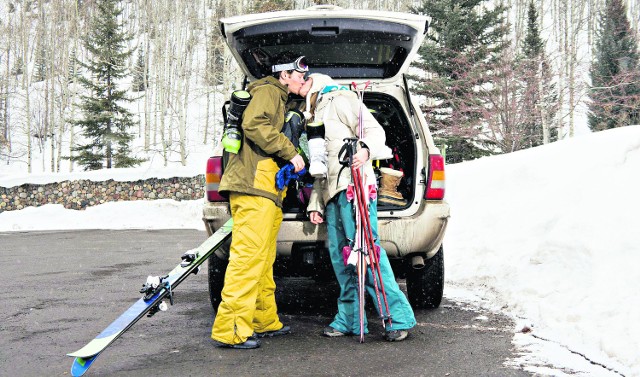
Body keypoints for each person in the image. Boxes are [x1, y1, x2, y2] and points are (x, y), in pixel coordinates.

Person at [302, 73, 416, 341]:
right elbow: (322, 165)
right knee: (343, 258)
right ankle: (351, 319)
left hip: (355, 189)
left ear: (307, 80)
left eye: (291, 80)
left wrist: (364, 150)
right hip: (333, 193)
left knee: (367, 253)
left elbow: (375, 132)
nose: (288, 86)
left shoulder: (340, 98)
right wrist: (316, 202)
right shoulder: (315, 112)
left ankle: (397, 318)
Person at [211, 53, 307, 349]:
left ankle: (262, 320)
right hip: (254, 188)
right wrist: (291, 152)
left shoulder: (280, 97)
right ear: (283, 75)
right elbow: (254, 124)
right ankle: (230, 330)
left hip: (266, 192)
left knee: (263, 260)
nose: (303, 78)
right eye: (299, 73)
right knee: (247, 260)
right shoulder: (267, 91)